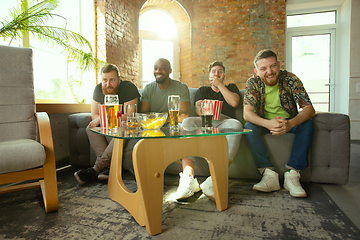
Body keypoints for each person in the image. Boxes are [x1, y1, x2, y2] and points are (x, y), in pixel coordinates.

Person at [243, 49, 315, 197]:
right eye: (263, 68)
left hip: (288, 121)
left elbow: (309, 109)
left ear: (279, 65)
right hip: (265, 122)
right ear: (257, 71)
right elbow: (247, 113)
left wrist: (291, 124)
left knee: (307, 124)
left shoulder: (290, 78)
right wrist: (267, 123)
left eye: (273, 66)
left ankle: (292, 175)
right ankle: (268, 174)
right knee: (248, 127)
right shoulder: (253, 83)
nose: (269, 71)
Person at [179, 60, 243, 201]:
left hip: (226, 121)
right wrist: (206, 108)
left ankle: (214, 178)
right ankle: (188, 178)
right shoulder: (203, 90)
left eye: (220, 71)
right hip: (206, 120)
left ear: (224, 75)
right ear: (209, 76)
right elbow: (197, 109)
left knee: (237, 124)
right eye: (214, 71)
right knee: (187, 121)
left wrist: (220, 85)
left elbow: (234, 102)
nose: (217, 73)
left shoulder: (231, 87)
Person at [74, 63, 141, 183]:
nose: (108, 84)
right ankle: (108, 167)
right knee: (90, 129)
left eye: (112, 80)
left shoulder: (129, 88)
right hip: (109, 126)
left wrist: (102, 117)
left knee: (123, 128)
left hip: (123, 127)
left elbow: (128, 116)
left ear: (119, 80)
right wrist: (103, 118)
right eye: (104, 80)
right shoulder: (98, 89)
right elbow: (94, 115)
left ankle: (96, 168)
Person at [140, 58, 196, 199]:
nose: (158, 71)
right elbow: (143, 115)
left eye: (162, 68)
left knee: (186, 128)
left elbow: (185, 115)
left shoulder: (180, 87)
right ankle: (143, 178)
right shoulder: (148, 89)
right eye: (155, 68)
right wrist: (158, 122)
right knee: (140, 139)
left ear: (170, 71)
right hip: (153, 129)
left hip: (175, 127)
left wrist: (162, 120)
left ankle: (188, 179)